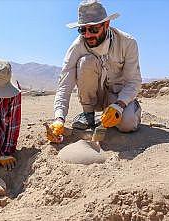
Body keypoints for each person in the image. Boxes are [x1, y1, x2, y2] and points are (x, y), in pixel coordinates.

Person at [48, 0, 142, 142]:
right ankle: (88, 115)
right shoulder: (77, 47)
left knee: (127, 125)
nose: (87, 35)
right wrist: (59, 118)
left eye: (93, 29)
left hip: (118, 97)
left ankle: (132, 108)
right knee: (86, 62)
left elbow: (133, 81)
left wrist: (120, 105)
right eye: (82, 30)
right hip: (95, 97)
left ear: (106, 24)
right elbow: (65, 84)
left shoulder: (127, 43)